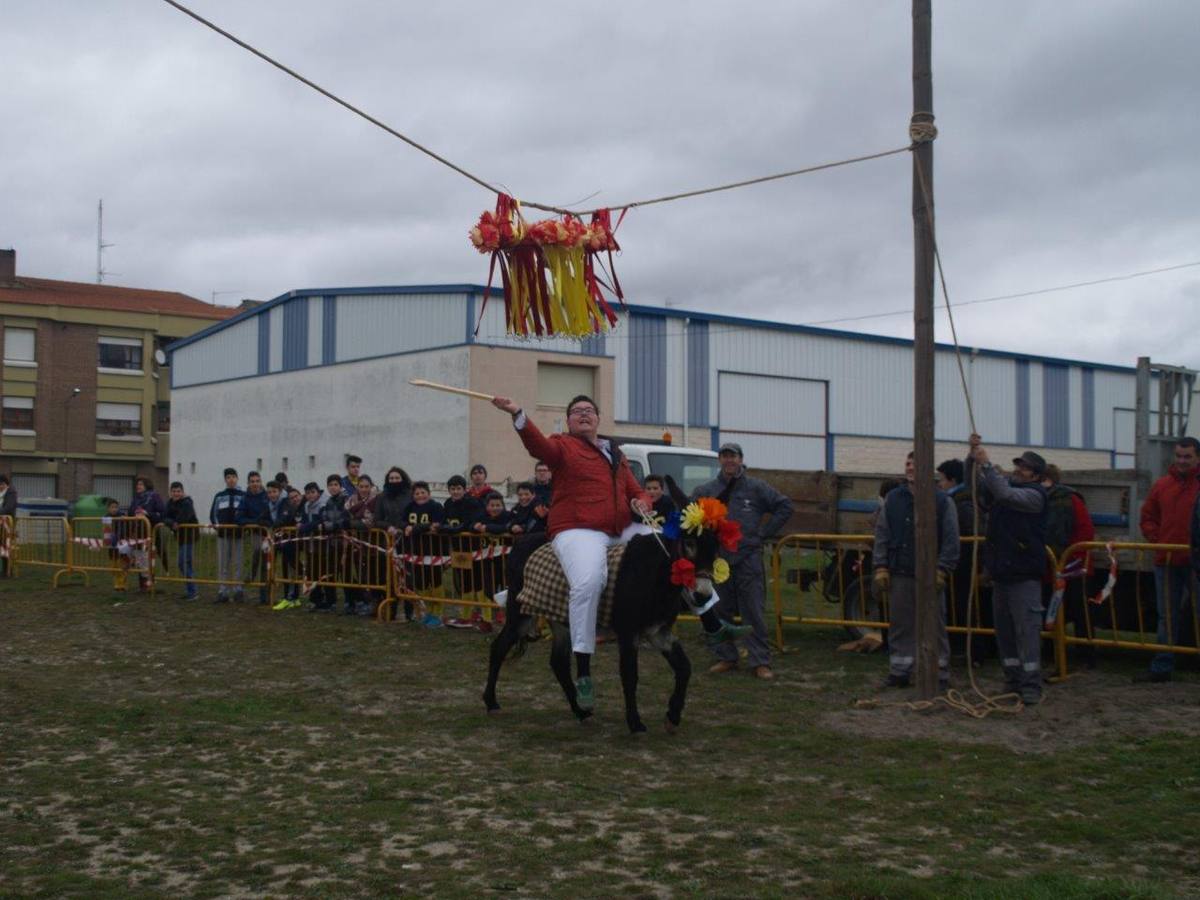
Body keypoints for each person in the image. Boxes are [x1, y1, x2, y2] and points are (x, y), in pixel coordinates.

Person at [490, 393, 652, 710]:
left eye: (588, 410)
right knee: (589, 581)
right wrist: (517, 414)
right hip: (578, 530)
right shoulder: (561, 446)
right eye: (576, 411)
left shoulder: (615, 453)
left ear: (598, 417)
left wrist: (643, 502)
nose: (583, 415)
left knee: (664, 544)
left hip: (618, 528)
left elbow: (637, 490)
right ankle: (584, 669)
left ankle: (710, 618)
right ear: (568, 421)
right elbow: (538, 447)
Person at [694, 442, 793, 681]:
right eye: (725, 456)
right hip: (719, 561)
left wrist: (763, 533)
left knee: (753, 611)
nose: (729, 461)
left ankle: (760, 661)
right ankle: (726, 657)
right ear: (719, 460)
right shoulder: (706, 491)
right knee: (719, 610)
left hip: (748, 557)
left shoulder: (756, 488)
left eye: (733, 456)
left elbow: (784, 506)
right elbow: (691, 517)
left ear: (741, 459)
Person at [966, 435, 1048, 705]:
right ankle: (1012, 679)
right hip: (1002, 574)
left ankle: (1031, 685)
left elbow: (1003, 493)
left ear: (1035, 475)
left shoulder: (1034, 496)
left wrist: (987, 465)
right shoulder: (1008, 489)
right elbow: (975, 489)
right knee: (1005, 632)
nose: (1017, 470)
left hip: (1024, 576)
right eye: (1017, 465)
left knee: (1026, 632)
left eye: (1023, 467)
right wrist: (972, 456)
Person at [872, 451, 959, 689]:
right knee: (900, 624)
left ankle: (939, 672)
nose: (910, 468)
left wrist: (943, 569)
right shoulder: (894, 499)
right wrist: (880, 566)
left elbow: (951, 539)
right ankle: (900, 670)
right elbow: (882, 533)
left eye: (915, 463)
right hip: (901, 570)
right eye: (907, 464)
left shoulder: (941, 501)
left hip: (931, 575)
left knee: (934, 624)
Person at [1138, 437, 1200, 682]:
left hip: (1196, 563)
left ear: (1198, 457)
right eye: (1179, 456)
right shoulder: (1162, 485)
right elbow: (1148, 516)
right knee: (1167, 615)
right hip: (1167, 560)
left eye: (1188, 457)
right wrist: (1158, 540)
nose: (1182, 461)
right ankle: (1162, 666)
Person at [936, 458, 988, 660]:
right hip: (960, 562)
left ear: (952, 480)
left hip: (963, 563)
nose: (940, 484)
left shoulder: (962, 502)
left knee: (963, 607)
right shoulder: (960, 500)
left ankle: (970, 651)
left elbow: (970, 533)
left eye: (942, 479)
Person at [345, 474, 380, 615]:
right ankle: (363, 601)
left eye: (366, 486)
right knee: (359, 572)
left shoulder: (376, 500)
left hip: (372, 543)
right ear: (357, 487)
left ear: (371, 487)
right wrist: (350, 524)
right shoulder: (351, 500)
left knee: (371, 574)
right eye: (361, 486)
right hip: (355, 542)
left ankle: (373, 602)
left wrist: (350, 524)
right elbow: (346, 513)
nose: (364, 489)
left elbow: (370, 522)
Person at [210, 468, 245, 603]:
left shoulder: (243, 495)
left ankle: (238, 590)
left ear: (237, 478)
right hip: (223, 535)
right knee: (223, 564)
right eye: (228, 477)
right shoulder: (219, 496)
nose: (231, 479)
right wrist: (218, 527)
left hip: (238, 535)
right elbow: (213, 514)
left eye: (233, 477)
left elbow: (246, 513)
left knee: (238, 563)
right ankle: (222, 590)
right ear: (225, 479)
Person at [298, 481, 334, 611]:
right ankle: (315, 599)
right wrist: (302, 525)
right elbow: (303, 520)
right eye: (307, 493)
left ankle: (330, 601)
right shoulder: (306, 505)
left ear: (318, 492)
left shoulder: (323, 504)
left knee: (324, 572)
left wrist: (304, 526)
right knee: (312, 572)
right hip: (310, 545)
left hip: (323, 545)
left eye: (313, 492)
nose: (310, 495)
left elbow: (320, 521)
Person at [237, 472, 271, 604]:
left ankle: (265, 596)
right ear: (248, 483)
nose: (255, 483)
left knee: (267, 566)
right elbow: (239, 518)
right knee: (258, 549)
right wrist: (254, 522)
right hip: (256, 533)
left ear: (261, 482)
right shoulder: (245, 498)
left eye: (257, 481)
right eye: (252, 481)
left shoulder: (267, 496)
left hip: (269, 533)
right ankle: (251, 573)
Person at [321, 474, 352, 614]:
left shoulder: (346, 500)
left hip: (344, 542)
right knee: (330, 572)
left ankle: (350, 601)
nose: (333, 487)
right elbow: (324, 519)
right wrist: (331, 526)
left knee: (346, 573)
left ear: (340, 486)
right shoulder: (328, 502)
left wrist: (333, 526)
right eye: (330, 485)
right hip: (331, 542)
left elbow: (346, 519)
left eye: (335, 484)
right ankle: (331, 601)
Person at [164, 481, 199, 600]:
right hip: (179, 536)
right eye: (174, 491)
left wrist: (176, 522)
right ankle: (191, 590)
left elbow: (185, 516)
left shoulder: (187, 503)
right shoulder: (169, 503)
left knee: (183, 562)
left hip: (189, 536)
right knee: (185, 563)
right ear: (170, 492)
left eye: (178, 491)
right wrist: (172, 523)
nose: (176, 493)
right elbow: (165, 517)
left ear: (182, 492)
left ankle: (193, 591)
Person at [129, 476, 165, 591]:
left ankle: (150, 583)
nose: (138, 486)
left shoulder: (154, 497)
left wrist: (147, 513)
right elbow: (130, 512)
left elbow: (161, 512)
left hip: (150, 531)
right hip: (137, 532)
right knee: (139, 557)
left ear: (147, 486)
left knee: (148, 557)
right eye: (137, 484)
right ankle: (142, 585)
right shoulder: (136, 499)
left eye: (141, 484)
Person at [0, 474, 17, 577]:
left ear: (6, 484)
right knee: (2, 546)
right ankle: (4, 570)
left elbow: (9, 508)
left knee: (6, 545)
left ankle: (8, 570)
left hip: (7, 523)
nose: (0, 486)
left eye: (2, 484)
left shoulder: (11, 493)